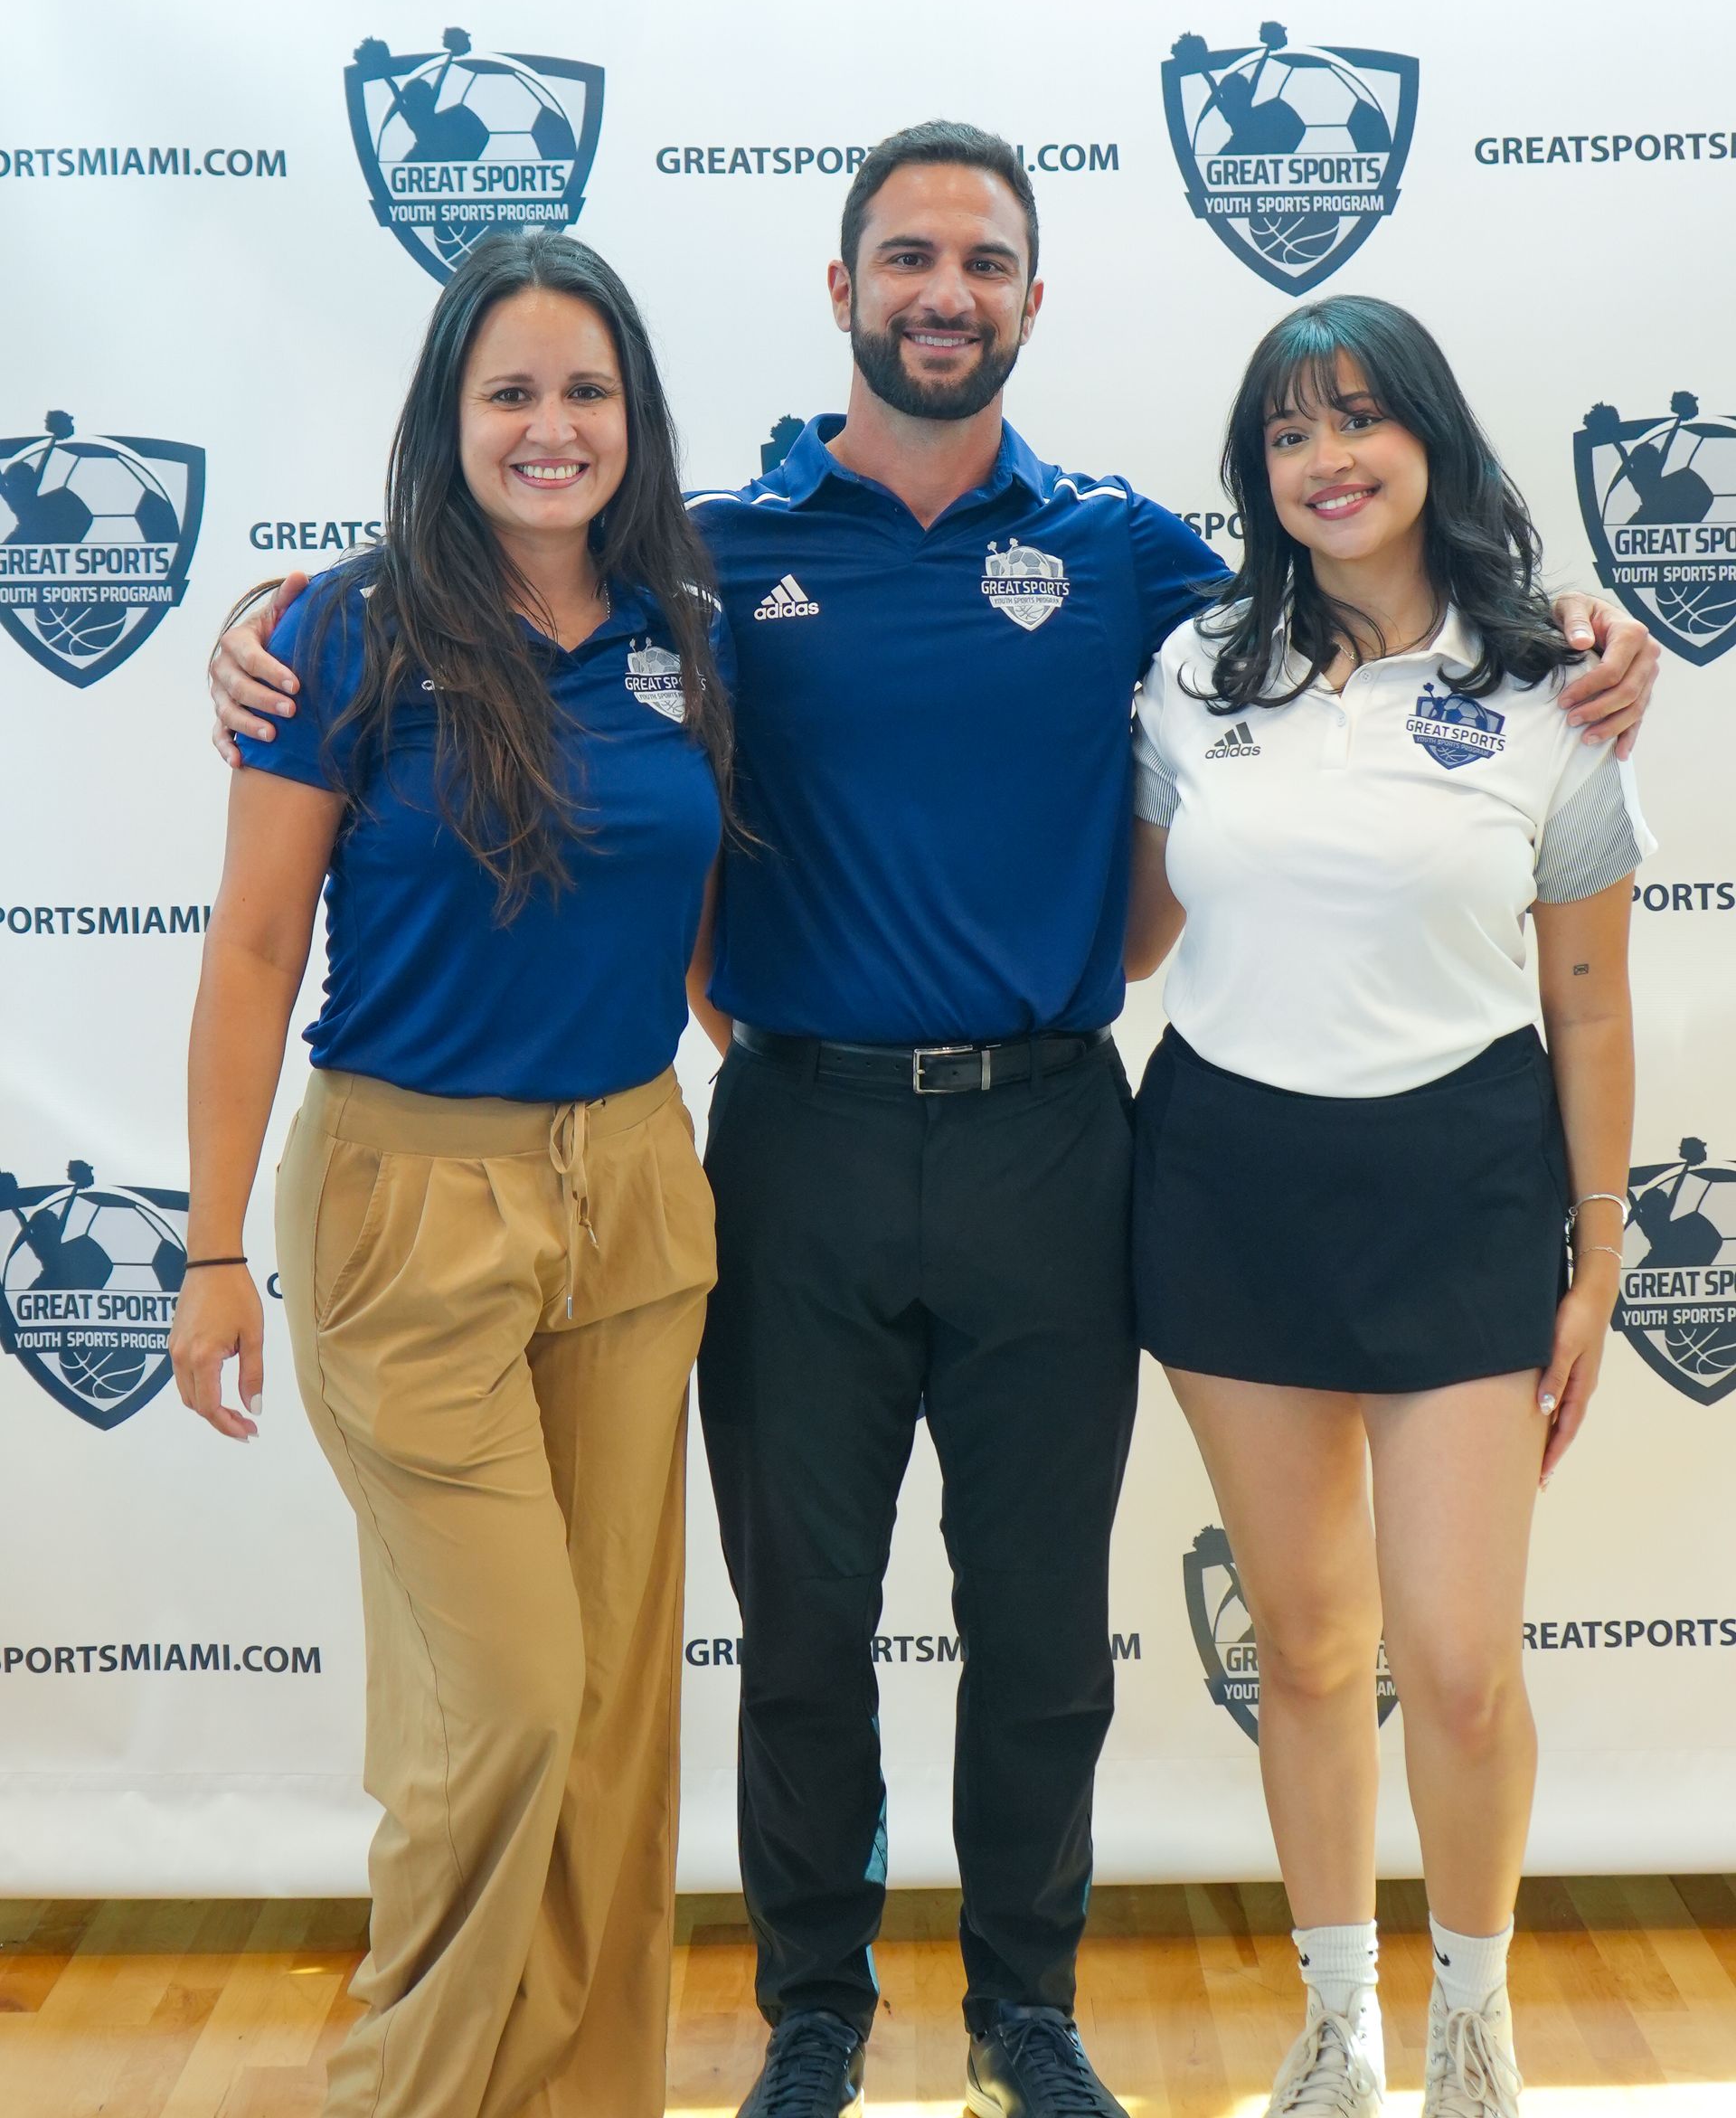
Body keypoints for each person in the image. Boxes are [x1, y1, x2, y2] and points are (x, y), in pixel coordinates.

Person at [208, 129, 1661, 2118]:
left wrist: (1584, 628)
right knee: (800, 1621)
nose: (943, 291)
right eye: (906, 257)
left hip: (1055, 1144)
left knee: (1046, 1627)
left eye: (984, 261)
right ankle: (814, 2010)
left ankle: (1025, 2018)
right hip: (789, 1144)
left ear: (1033, 303)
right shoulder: (698, 545)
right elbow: (489, 578)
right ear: (841, 293)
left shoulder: (1140, 554)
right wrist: (274, 613)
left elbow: (1360, 587)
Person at [171, 229, 729, 2118]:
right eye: (513, 393)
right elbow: (252, 950)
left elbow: (705, 935)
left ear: (635, 420)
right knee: (499, 1708)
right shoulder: (342, 634)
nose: (554, 427)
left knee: (610, 1722)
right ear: (449, 417)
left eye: (589, 391)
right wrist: (205, 1250)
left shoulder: (685, 630)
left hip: (636, 1192)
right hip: (408, 1209)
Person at [1125, 296, 1651, 2118]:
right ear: (1259, 473)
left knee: (1455, 1661)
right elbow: (1123, 929)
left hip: (1464, 1192)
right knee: (1309, 1644)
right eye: (1288, 433)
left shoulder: (1556, 683)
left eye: (1358, 419)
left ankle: (1472, 2022)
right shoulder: (1194, 668)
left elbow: (1587, 1000)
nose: (1326, 458)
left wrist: (1603, 1247)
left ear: (1427, 439)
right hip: (1227, 1188)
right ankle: (1339, 2024)